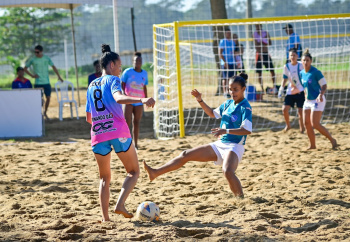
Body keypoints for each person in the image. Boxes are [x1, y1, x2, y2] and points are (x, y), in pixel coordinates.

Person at [144, 73, 252, 198]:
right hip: (220, 144)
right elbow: (212, 113)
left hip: (234, 146)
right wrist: (200, 100)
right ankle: (155, 173)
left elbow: (246, 130)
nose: (232, 92)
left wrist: (225, 131)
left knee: (227, 171)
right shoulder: (228, 104)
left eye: (235, 90)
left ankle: (241, 200)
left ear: (243, 89)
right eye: (230, 89)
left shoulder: (246, 107)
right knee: (185, 154)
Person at [86, 44, 155, 222]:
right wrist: (141, 98)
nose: (120, 69)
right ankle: (120, 204)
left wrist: (102, 122)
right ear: (111, 66)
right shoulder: (113, 80)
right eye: (119, 65)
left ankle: (105, 218)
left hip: (98, 135)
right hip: (118, 132)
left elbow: (88, 118)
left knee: (104, 178)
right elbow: (118, 98)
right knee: (133, 172)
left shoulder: (91, 85)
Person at [300, 49, 337, 149]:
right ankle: (312, 145)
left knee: (315, 124)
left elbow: (324, 85)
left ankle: (332, 140)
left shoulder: (316, 72)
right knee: (306, 123)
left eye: (307, 60)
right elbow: (305, 87)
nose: (305, 62)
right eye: (304, 60)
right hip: (307, 101)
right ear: (301, 61)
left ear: (311, 61)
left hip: (317, 100)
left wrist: (320, 94)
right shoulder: (302, 73)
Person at [24, 45, 63, 120]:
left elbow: (53, 67)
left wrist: (59, 76)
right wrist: (32, 75)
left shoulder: (46, 58)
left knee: (48, 98)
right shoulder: (32, 59)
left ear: (41, 51)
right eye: (35, 52)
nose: (36, 53)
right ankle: (39, 113)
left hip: (46, 82)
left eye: (37, 52)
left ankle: (45, 112)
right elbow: (25, 68)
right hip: (38, 82)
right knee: (39, 99)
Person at [121, 52, 148, 149]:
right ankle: (126, 144)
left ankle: (135, 144)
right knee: (126, 122)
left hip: (139, 101)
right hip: (128, 100)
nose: (138, 62)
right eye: (136, 60)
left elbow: (144, 87)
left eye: (140, 60)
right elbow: (122, 84)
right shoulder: (127, 72)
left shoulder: (144, 73)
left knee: (136, 122)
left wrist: (146, 99)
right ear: (133, 61)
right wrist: (123, 95)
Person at [278, 49, 305, 133]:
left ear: (297, 56)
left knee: (300, 111)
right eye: (291, 55)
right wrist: (281, 88)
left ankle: (302, 128)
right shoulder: (286, 66)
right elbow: (285, 78)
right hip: (291, 91)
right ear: (289, 57)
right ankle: (288, 125)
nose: (292, 57)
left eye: (294, 55)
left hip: (301, 90)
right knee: (285, 109)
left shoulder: (301, 65)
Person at [253, 24, 276, 93]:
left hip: (266, 53)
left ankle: (274, 87)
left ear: (261, 26)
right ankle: (262, 89)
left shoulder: (265, 33)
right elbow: (256, 45)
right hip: (259, 54)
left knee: (272, 71)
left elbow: (270, 43)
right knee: (259, 73)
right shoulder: (254, 34)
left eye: (258, 26)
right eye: (256, 26)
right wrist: (260, 53)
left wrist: (264, 42)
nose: (257, 27)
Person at [219, 29, 236, 98]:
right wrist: (225, 62)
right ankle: (225, 92)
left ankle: (230, 91)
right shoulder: (223, 41)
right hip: (225, 63)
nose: (229, 34)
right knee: (225, 77)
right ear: (225, 34)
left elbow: (234, 52)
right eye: (227, 33)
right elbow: (220, 53)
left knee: (231, 78)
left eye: (230, 33)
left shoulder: (233, 42)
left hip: (232, 62)